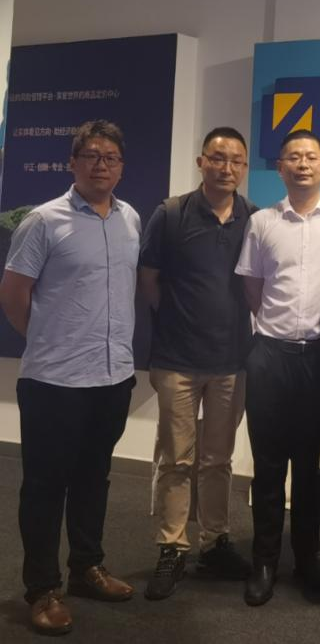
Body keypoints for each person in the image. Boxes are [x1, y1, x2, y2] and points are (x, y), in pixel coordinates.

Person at [0, 120, 141, 636]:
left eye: (111, 157)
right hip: (55, 382)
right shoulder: (43, 221)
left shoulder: (130, 218)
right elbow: (14, 295)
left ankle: (86, 567)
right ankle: (41, 589)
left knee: (93, 479)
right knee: (44, 487)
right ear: (73, 163)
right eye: (92, 156)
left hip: (112, 377)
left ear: (121, 167)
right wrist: (49, 339)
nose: (101, 165)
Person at [234, 129, 320, 606]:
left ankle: (309, 557)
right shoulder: (262, 222)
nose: (302, 164)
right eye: (293, 157)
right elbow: (252, 288)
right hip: (270, 357)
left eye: (311, 157)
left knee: (310, 466)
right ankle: (265, 561)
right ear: (280, 167)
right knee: (268, 466)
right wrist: (276, 327)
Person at [138, 126, 257, 601]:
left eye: (236, 161)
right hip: (177, 360)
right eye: (218, 158)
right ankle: (172, 547)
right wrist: (177, 322)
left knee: (218, 459)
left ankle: (214, 543)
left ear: (244, 167)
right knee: (176, 459)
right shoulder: (171, 214)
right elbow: (149, 280)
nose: (227, 168)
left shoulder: (253, 218)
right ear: (201, 161)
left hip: (232, 360)